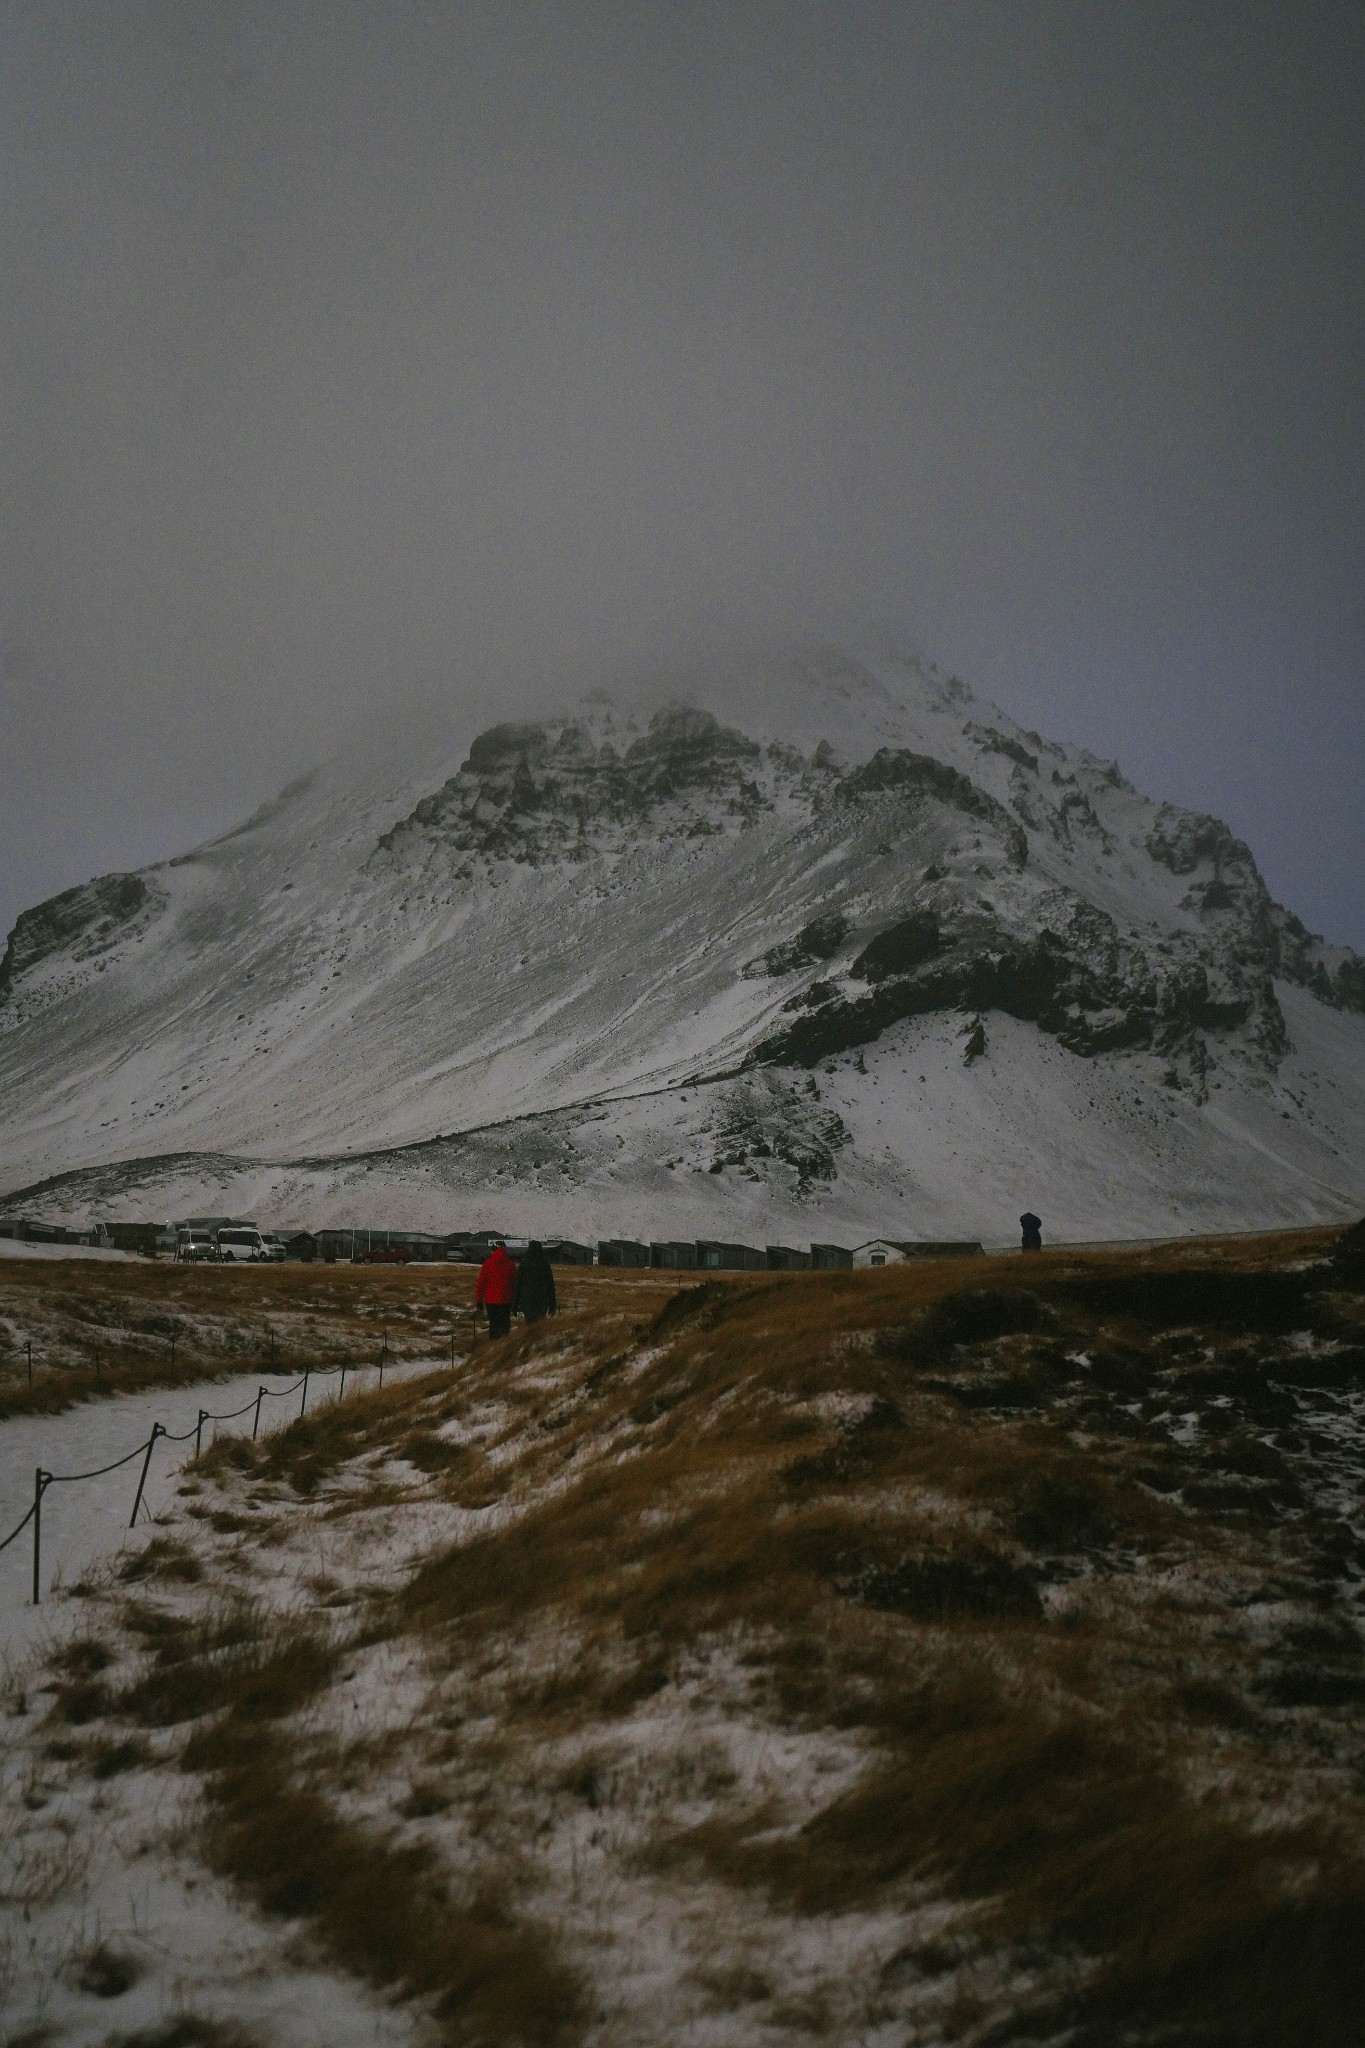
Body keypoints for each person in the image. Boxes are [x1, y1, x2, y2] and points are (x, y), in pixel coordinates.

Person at [475, 1240, 517, 1338]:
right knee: (505, 1325)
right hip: (506, 1300)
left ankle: (494, 1347)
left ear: (493, 1250)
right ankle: (503, 1347)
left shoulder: (487, 1264)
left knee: (493, 1325)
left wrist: (479, 1300)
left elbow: (481, 1284)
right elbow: (515, 1284)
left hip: (491, 1301)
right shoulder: (511, 1265)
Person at [514, 1240, 557, 1324]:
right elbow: (550, 1285)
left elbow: (518, 1285)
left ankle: (530, 1336)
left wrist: (515, 1304)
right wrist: (552, 1305)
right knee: (540, 1324)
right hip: (541, 1300)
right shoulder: (545, 1264)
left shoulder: (524, 1264)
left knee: (530, 1323)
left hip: (527, 1300)